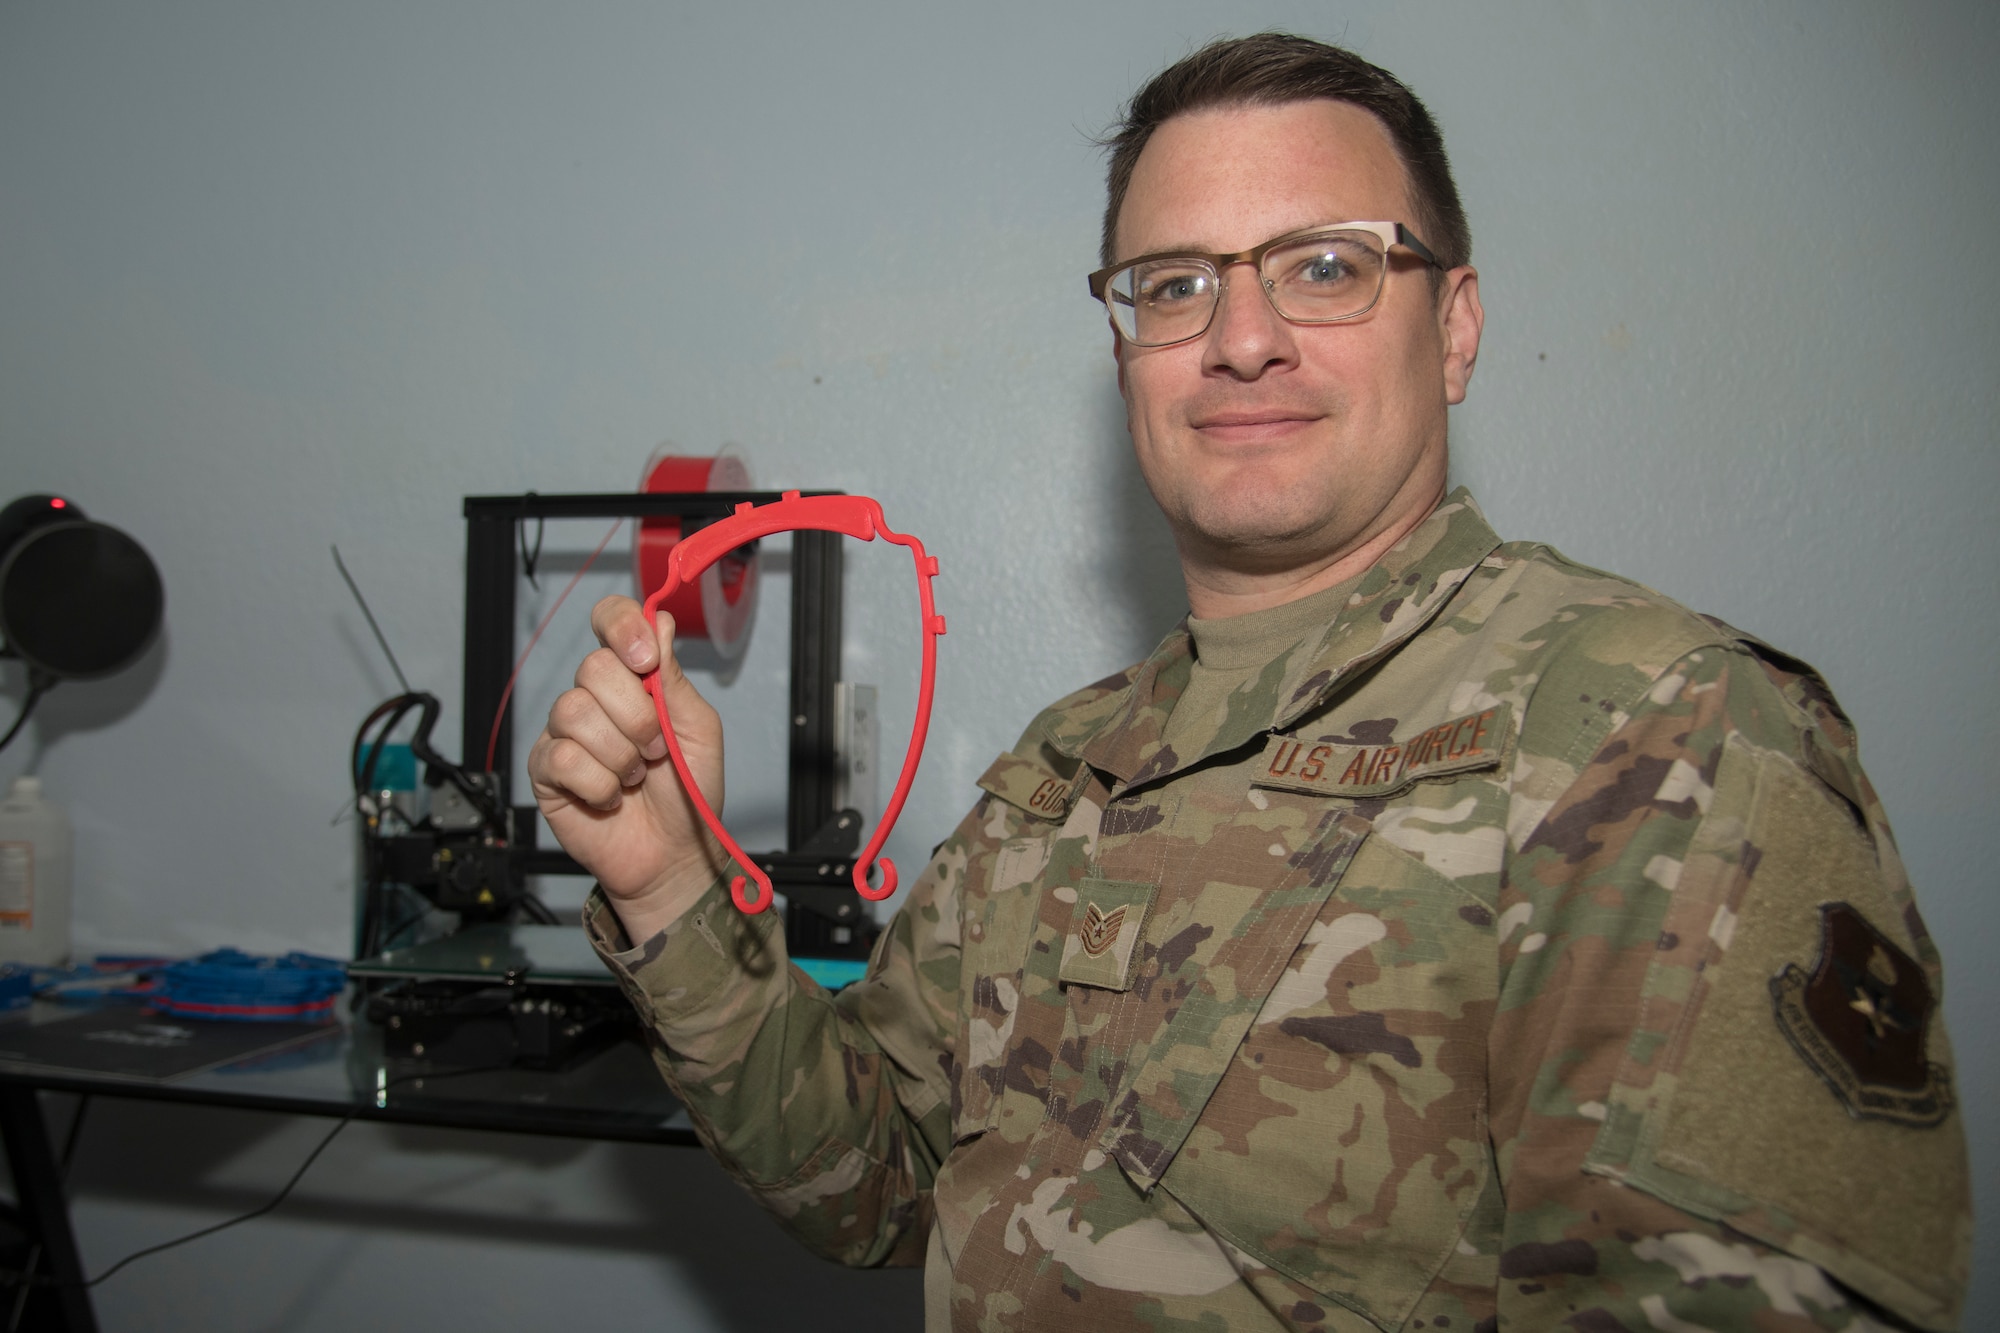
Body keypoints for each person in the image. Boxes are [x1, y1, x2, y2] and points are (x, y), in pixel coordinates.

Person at [527, 33, 1969, 1332]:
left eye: (1326, 265)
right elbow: (868, 1178)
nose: (1242, 335)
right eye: (1176, 283)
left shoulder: (1658, 735)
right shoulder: (1070, 765)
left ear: (1455, 324)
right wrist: (665, 888)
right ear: (1125, 352)